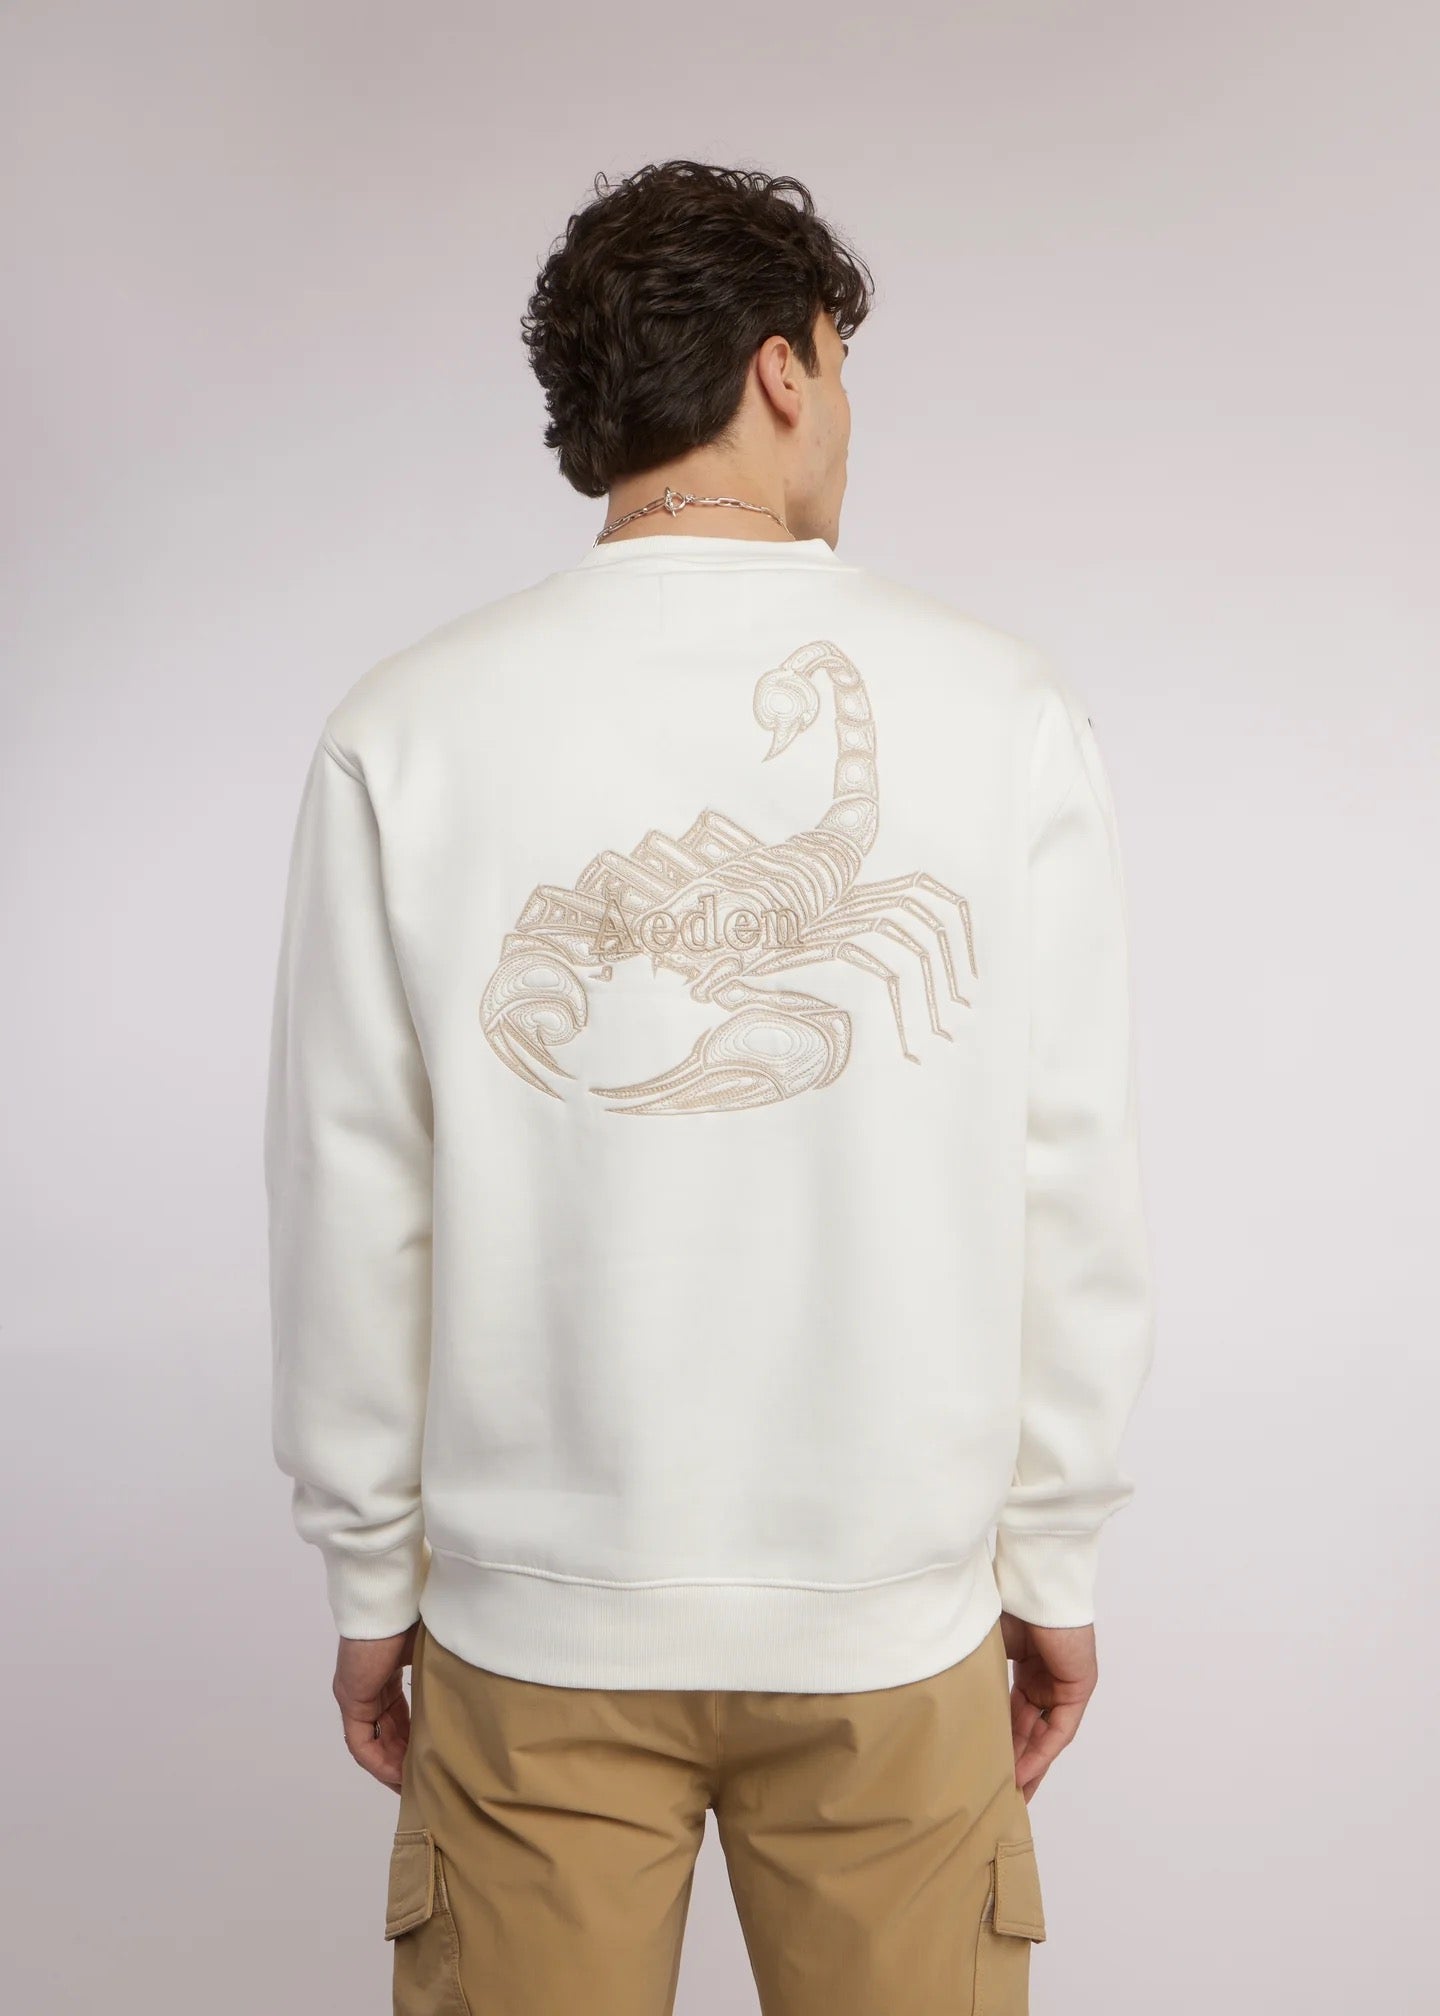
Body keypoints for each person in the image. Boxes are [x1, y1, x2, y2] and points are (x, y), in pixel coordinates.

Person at [264, 157, 1156, 2016]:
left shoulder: (403, 725)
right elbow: (1067, 1169)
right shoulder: (1007, 708)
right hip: (893, 1625)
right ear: (783, 370)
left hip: (532, 1632)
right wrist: (1053, 1555)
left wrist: (368, 1583)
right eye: (842, 368)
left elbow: (353, 1196)